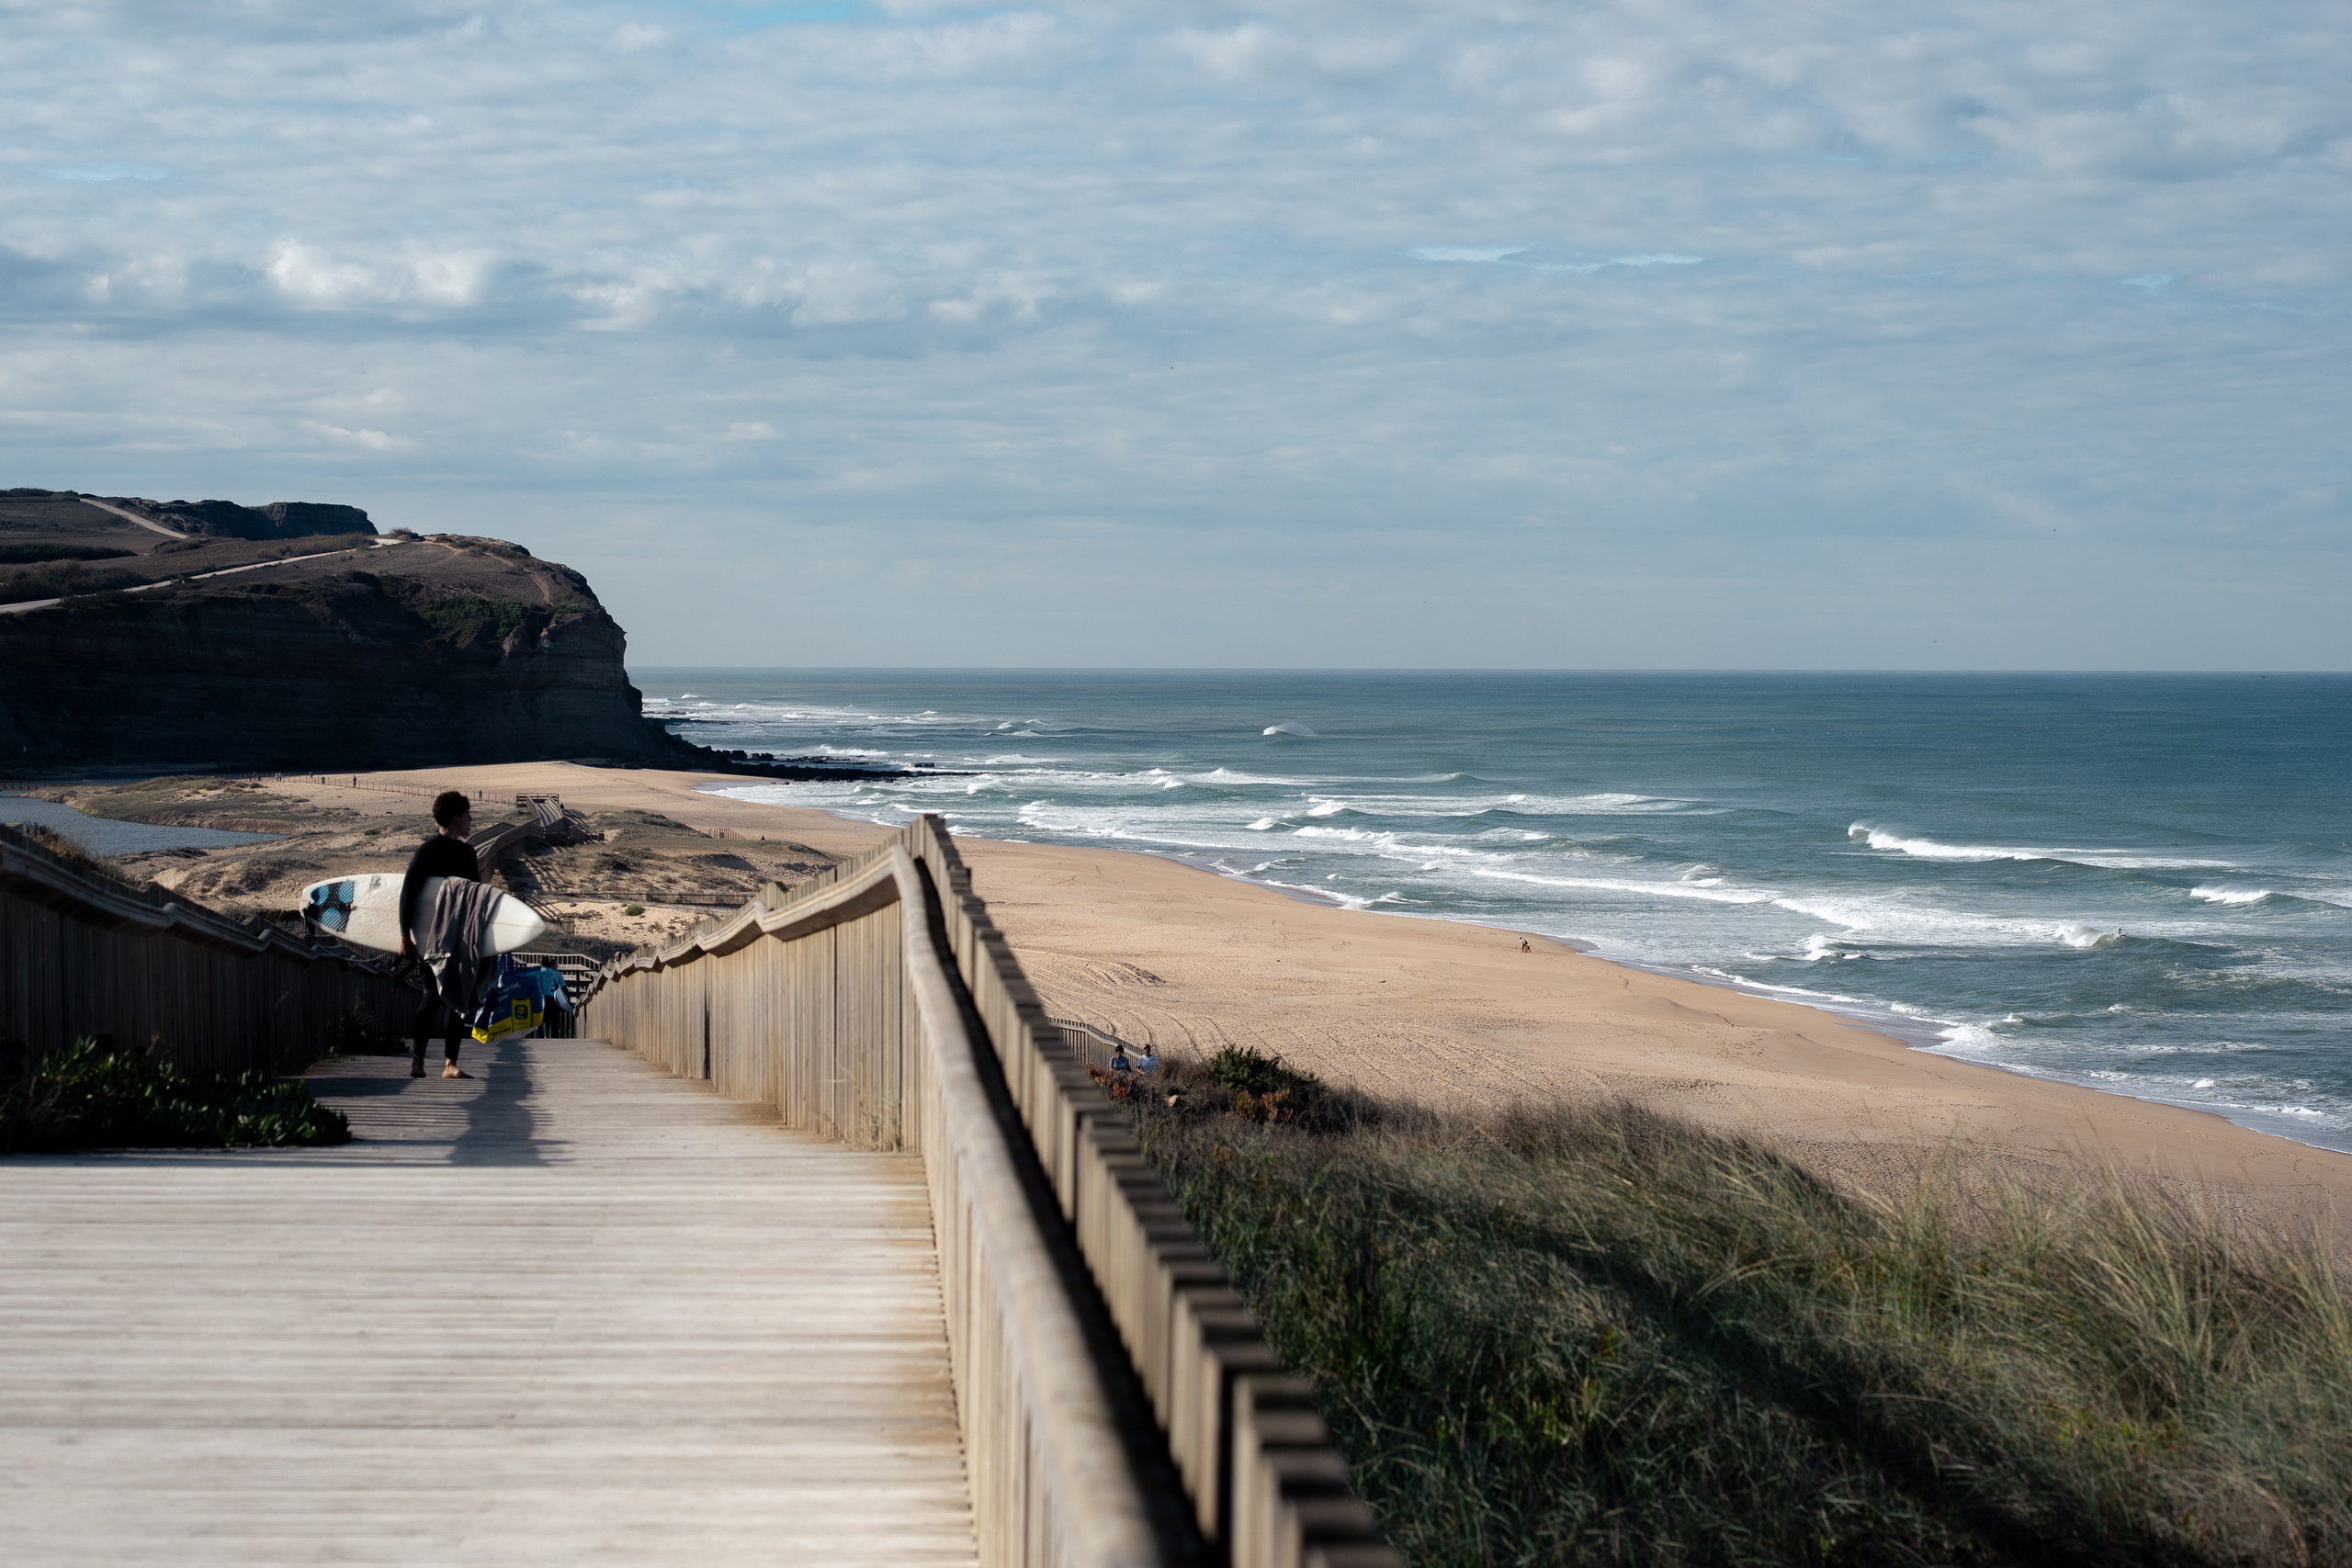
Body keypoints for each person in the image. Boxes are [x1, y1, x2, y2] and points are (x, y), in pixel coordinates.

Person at [401, 791, 481, 1079]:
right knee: (432, 997)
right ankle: (418, 1061)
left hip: (459, 937)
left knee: (455, 999)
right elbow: (408, 895)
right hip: (428, 937)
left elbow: (476, 896)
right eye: (468, 815)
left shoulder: (467, 853)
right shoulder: (427, 851)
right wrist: (405, 937)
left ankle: (449, 1064)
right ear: (455, 818)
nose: (471, 820)